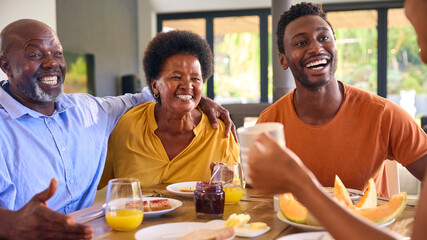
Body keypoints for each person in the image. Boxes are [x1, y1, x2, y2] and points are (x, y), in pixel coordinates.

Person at [0, 19, 235, 239]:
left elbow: (145, 98)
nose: (52, 62)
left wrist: (197, 99)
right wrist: (11, 223)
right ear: (5, 66)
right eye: (35, 54)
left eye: (57, 53)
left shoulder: (86, 111)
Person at [248, 0, 427, 239]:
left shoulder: (383, 114)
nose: (315, 48)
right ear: (283, 59)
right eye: (301, 43)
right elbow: (254, 195)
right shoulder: (270, 122)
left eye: (324, 38)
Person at [98, 30, 240, 189]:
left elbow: (235, 191)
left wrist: (226, 185)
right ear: (154, 85)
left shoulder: (220, 133)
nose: (187, 85)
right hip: (139, 214)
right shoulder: (128, 127)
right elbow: (93, 182)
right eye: (176, 77)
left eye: (195, 79)